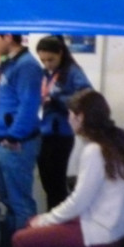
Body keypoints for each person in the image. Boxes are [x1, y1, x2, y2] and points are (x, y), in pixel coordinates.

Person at [12, 90, 124, 247]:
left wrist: (46, 219)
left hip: (101, 229)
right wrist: (44, 220)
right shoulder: (112, 143)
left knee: (21, 239)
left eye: (71, 115)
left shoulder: (94, 150)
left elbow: (78, 201)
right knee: (32, 224)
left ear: (81, 117)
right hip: (114, 225)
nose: (68, 119)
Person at [0, 32, 44, 247]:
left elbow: (29, 106)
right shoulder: (9, 63)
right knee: (9, 200)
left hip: (16, 143)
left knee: (20, 203)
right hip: (2, 140)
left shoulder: (28, 66)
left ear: (9, 37)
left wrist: (14, 136)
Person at [36, 35, 92, 210]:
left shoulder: (73, 71)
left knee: (56, 185)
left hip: (61, 134)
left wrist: (57, 98)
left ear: (61, 53)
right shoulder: (46, 72)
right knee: (47, 184)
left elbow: (87, 97)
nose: (47, 64)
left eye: (51, 60)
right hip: (43, 131)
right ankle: (51, 222)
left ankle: (57, 226)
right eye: (43, 60)